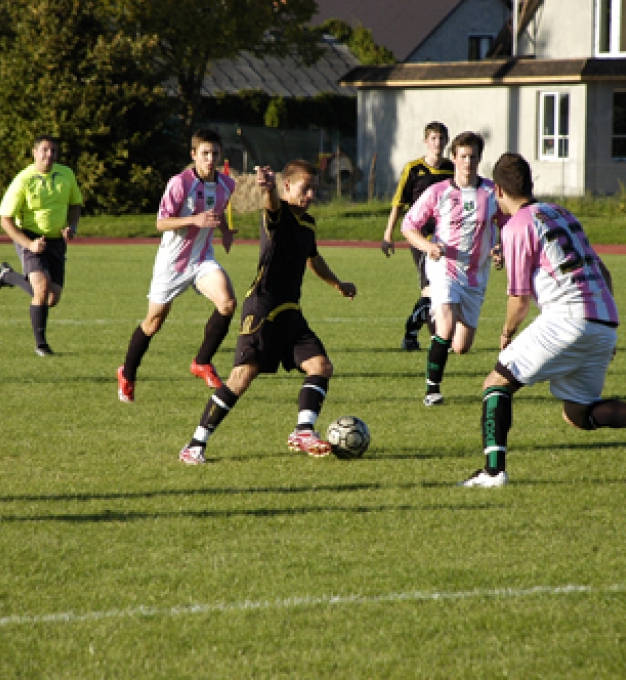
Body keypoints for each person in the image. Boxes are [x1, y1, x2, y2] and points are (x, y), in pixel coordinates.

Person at [462, 153, 626, 488]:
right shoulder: (562, 213)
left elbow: (519, 300)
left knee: (496, 385)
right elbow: (604, 272)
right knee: (579, 413)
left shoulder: (517, 225)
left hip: (567, 318)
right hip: (603, 321)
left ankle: (493, 472)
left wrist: (507, 333)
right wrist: (605, 329)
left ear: (497, 190)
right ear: (531, 183)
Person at [177, 161, 357, 465]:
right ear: (287, 187)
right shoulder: (279, 214)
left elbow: (313, 257)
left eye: (314, 188)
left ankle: (303, 430)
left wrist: (337, 284)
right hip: (263, 310)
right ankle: (195, 445)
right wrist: (269, 188)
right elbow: (271, 206)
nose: (311, 194)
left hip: (290, 313)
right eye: (305, 188)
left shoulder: (308, 223)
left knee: (320, 366)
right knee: (241, 378)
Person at [116, 129, 237, 402]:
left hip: (203, 259)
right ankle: (127, 372)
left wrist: (227, 230)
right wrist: (193, 220)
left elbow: (219, 210)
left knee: (227, 303)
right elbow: (161, 223)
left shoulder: (227, 184)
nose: (210, 159)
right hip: (173, 264)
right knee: (153, 323)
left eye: (215, 153)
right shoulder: (180, 183)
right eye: (205, 153)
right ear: (193, 155)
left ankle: (202, 362)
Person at [400, 131, 502, 406]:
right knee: (445, 325)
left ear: (480, 158)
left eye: (473, 156)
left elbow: (507, 225)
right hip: (444, 267)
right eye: (463, 156)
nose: (468, 162)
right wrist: (428, 247)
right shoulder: (439, 192)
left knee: (461, 346)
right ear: (454, 159)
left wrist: (500, 248)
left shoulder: (492, 192)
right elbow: (408, 226)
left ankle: (428, 311)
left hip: (476, 275)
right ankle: (432, 390)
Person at [0, 135, 83, 356]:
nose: (49, 155)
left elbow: (75, 204)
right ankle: (41, 345)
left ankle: (8, 276)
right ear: (34, 152)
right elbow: (5, 219)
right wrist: (29, 243)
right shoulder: (23, 180)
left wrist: (72, 227)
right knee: (40, 288)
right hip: (30, 238)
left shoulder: (66, 174)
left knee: (50, 298)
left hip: (56, 241)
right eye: (45, 150)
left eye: (53, 151)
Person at [382, 121, 454, 351]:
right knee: (430, 288)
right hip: (420, 238)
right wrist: (388, 234)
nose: (437, 143)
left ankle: (437, 337)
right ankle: (411, 334)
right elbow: (399, 203)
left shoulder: (452, 169)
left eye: (441, 138)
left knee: (442, 288)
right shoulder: (414, 169)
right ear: (425, 141)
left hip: (446, 238)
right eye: (433, 138)